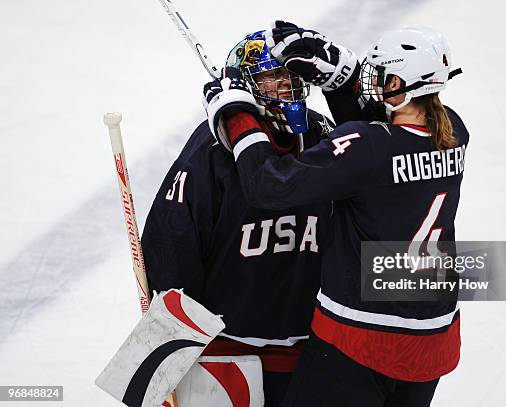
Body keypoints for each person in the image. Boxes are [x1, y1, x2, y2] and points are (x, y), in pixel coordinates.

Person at [203, 22, 469, 406]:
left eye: (379, 74)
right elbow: (382, 143)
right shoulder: (455, 132)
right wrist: (338, 82)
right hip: (433, 343)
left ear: (398, 83)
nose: (369, 80)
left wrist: (236, 114)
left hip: (359, 341)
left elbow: (269, 186)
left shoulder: (368, 145)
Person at [141, 30, 334, 406]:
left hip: (313, 348)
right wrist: (175, 325)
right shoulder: (212, 148)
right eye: (270, 76)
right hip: (227, 354)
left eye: (291, 77)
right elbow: (172, 240)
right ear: (246, 85)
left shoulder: (323, 133)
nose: (285, 87)